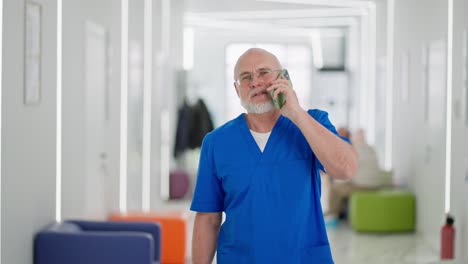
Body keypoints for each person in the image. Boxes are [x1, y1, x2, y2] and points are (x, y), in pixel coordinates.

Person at [190, 48, 358, 264]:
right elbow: (208, 218)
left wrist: (295, 112)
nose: (255, 82)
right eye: (246, 77)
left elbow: (346, 169)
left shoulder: (312, 123)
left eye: (263, 72)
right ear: (236, 89)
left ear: (283, 78)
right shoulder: (216, 143)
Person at [325, 128, 383, 222]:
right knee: (342, 187)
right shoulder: (371, 148)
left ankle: (332, 215)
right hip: (376, 185)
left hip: (363, 186)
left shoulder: (353, 149)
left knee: (335, 189)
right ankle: (340, 213)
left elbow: (346, 174)